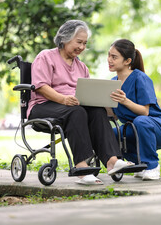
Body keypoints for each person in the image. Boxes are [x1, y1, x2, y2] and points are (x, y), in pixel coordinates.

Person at [27, 20, 134, 185]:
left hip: (73, 107)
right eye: (79, 42)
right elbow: (41, 87)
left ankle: (112, 161)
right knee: (77, 111)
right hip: (44, 106)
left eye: (85, 43)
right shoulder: (46, 57)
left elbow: (86, 93)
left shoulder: (82, 67)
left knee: (98, 112)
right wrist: (63, 99)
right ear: (64, 38)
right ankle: (82, 166)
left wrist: (104, 99)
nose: (82, 47)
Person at [107, 39, 161, 180]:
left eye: (114, 57)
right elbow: (113, 115)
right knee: (111, 134)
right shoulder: (112, 83)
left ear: (127, 61)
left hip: (158, 128)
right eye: (109, 55)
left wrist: (125, 101)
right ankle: (138, 163)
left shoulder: (141, 78)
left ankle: (152, 166)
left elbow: (145, 111)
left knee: (141, 120)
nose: (109, 60)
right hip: (134, 129)